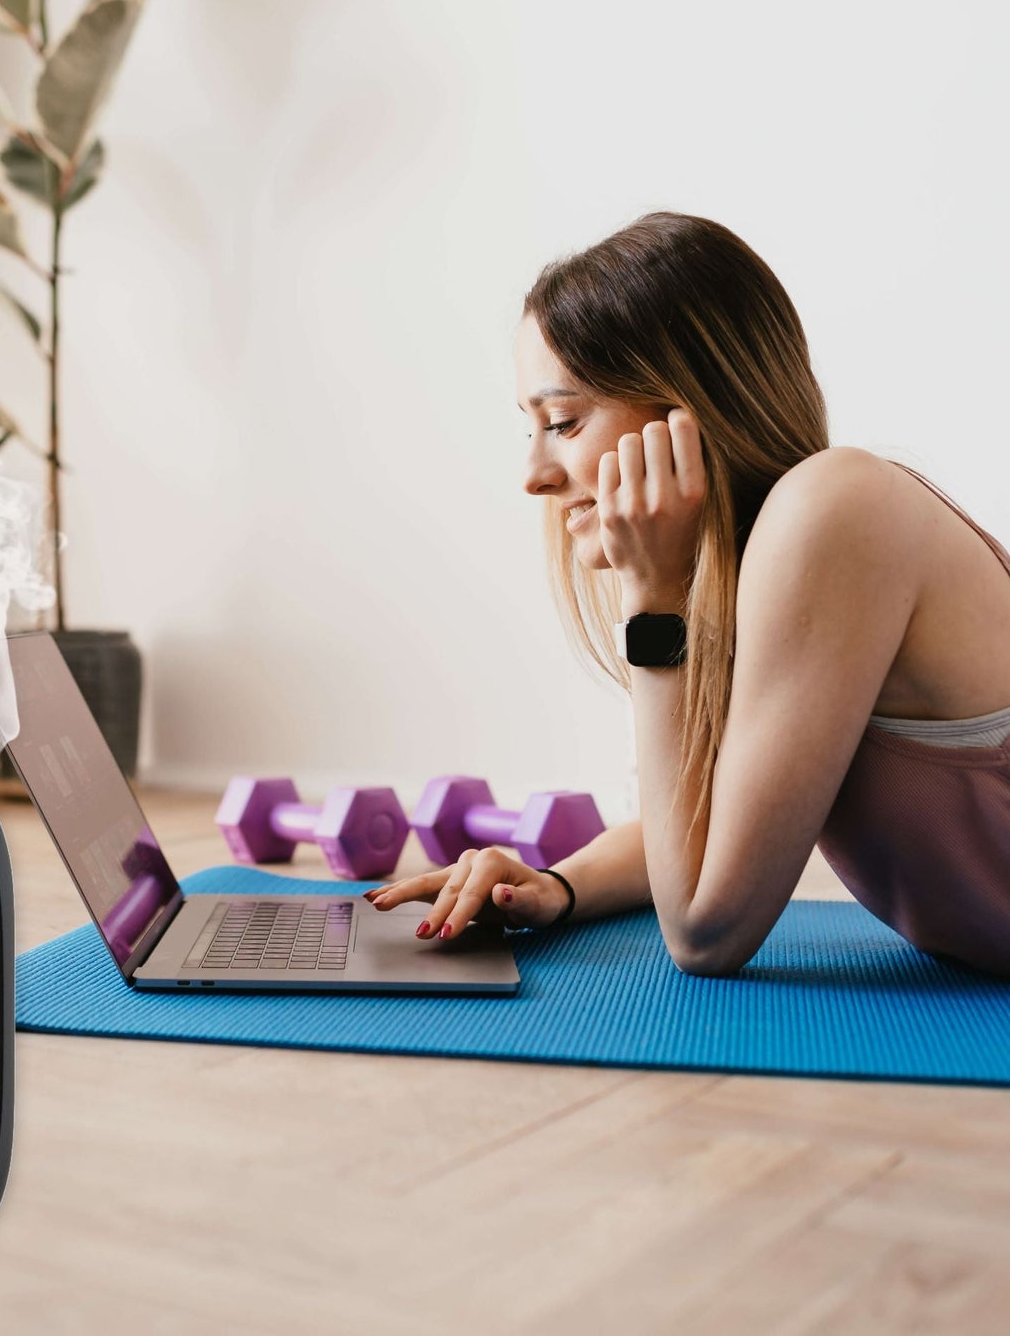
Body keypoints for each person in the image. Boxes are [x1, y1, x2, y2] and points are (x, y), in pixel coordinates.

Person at [365, 211, 1010, 979]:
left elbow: (705, 928)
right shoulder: (780, 561)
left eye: (563, 421)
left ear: (686, 410)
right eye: (529, 428)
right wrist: (557, 884)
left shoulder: (837, 505)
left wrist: (653, 597)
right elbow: (712, 828)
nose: (534, 475)